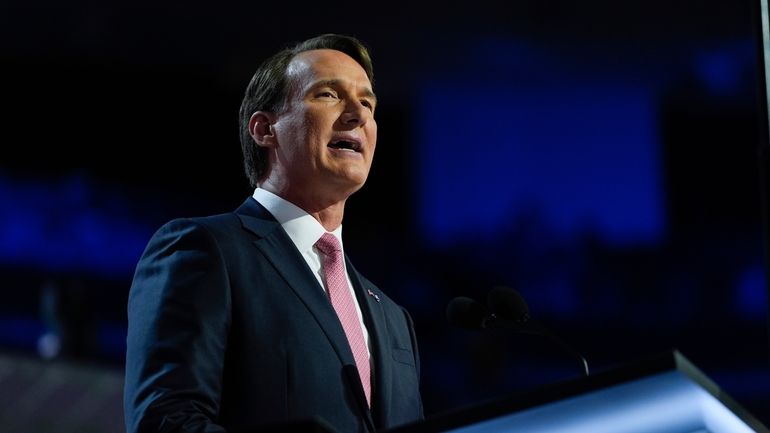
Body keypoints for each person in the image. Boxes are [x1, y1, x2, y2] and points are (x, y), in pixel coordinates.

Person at [123, 34, 424, 433]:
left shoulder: (393, 317)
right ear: (266, 129)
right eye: (329, 94)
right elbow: (165, 421)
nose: (358, 114)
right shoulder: (205, 251)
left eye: (367, 103)